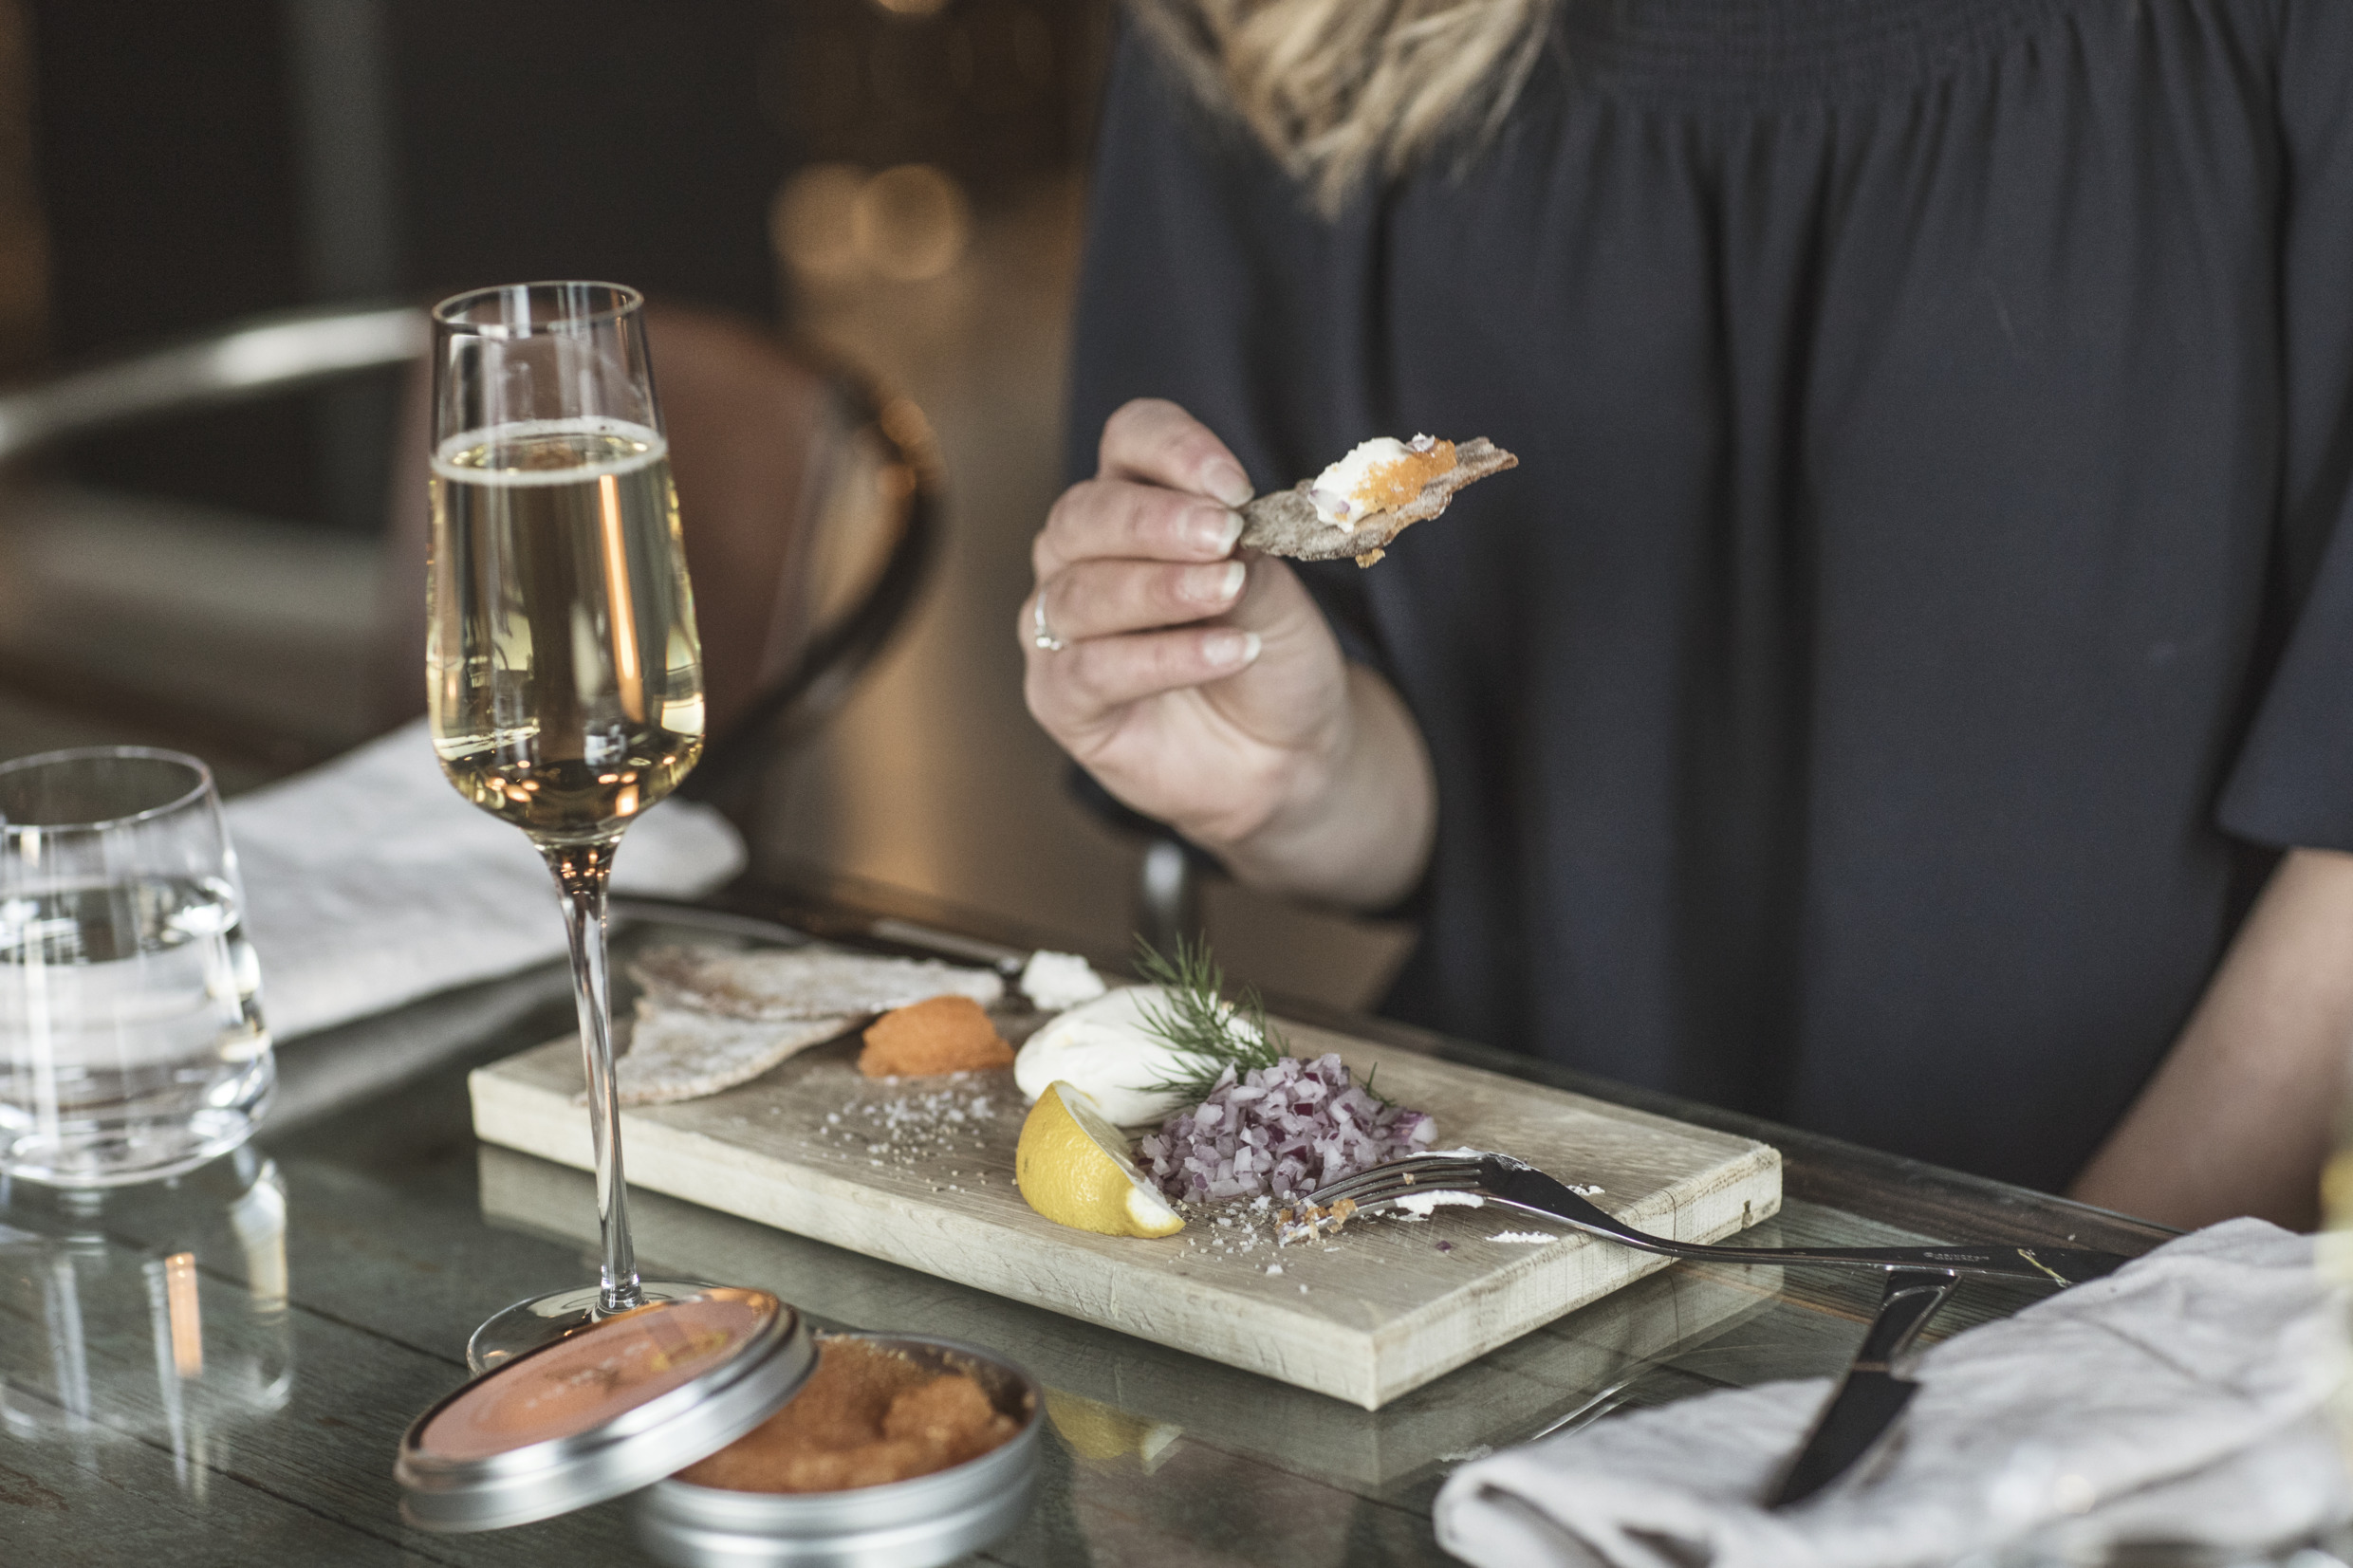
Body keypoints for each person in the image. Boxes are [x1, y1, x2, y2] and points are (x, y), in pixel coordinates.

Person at [1021, 0, 2353, 1229]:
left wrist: (2058, 1333)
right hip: (1520, 1248)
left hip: (2162, 1307)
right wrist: (1303, 782)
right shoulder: (1265, 26)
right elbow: (1451, 825)